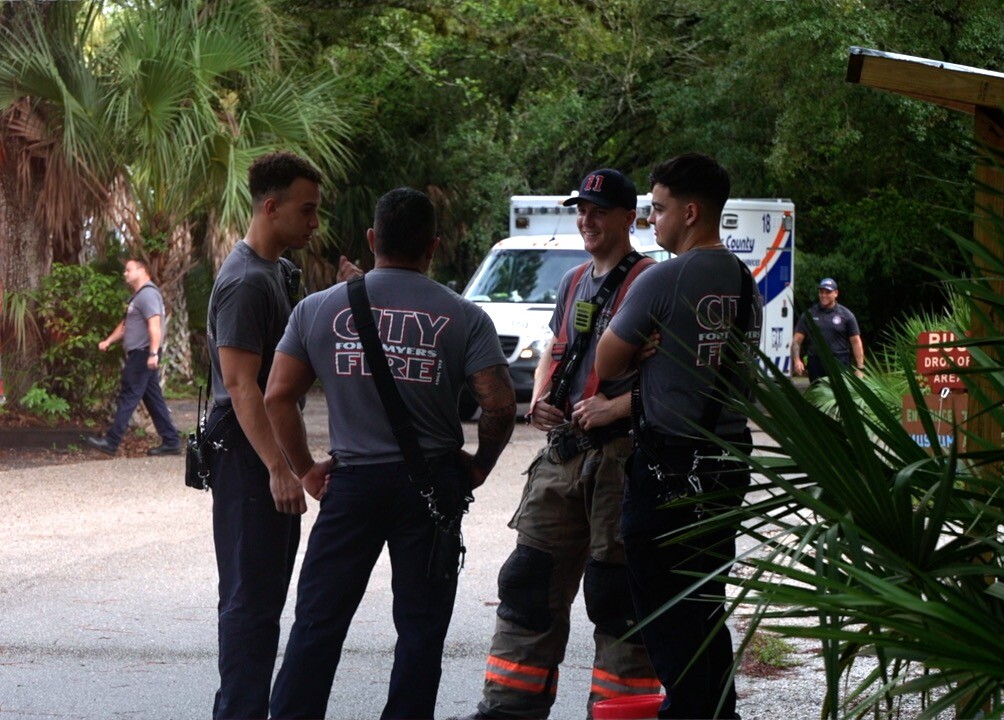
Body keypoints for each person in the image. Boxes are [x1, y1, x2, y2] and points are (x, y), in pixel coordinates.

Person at [265, 187, 517, 720]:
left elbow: (277, 396)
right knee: (421, 629)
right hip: (431, 490)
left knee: (317, 623)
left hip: (351, 486)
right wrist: (477, 467)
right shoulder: (464, 317)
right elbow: (498, 405)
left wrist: (306, 470)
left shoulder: (317, 309)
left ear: (373, 239)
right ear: (433, 246)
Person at [456, 169, 660, 720]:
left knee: (617, 593)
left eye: (598, 210)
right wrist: (542, 396)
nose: (586, 219)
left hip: (622, 458)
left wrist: (615, 407)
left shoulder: (650, 281)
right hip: (563, 454)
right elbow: (555, 347)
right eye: (581, 209)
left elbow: (672, 377)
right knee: (527, 580)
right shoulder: (573, 281)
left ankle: (622, 711)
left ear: (629, 218)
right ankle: (507, 709)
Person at [595, 153, 759, 719]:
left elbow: (606, 360)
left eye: (659, 210)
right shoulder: (745, 281)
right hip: (726, 463)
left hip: (667, 469)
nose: (652, 222)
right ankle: (719, 712)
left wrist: (642, 348)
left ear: (690, 212)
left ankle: (688, 712)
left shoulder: (665, 277)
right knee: (705, 603)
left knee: (665, 612)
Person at [203, 151, 321, 720]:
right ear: (270, 207)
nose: (314, 222)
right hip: (248, 459)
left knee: (267, 595)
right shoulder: (246, 280)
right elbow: (240, 385)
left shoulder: (278, 271)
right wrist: (279, 467)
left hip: (264, 455)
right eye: (306, 210)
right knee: (250, 601)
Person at [83, 258, 181, 457]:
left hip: (143, 353)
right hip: (142, 353)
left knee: (129, 395)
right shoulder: (139, 297)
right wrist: (109, 341)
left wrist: (153, 352)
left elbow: (154, 325)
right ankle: (171, 441)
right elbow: (126, 324)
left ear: (142, 270)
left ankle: (111, 442)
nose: (125, 274)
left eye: (128, 270)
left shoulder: (148, 295)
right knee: (153, 399)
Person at [791, 278, 865, 381]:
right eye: (821, 292)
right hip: (816, 363)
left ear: (836, 293)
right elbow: (797, 340)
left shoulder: (846, 315)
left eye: (828, 292)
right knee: (818, 395)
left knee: (839, 395)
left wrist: (860, 367)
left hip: (839, 362)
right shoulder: (809, 314)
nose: (823, 295)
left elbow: (856, 342)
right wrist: (797, 360)